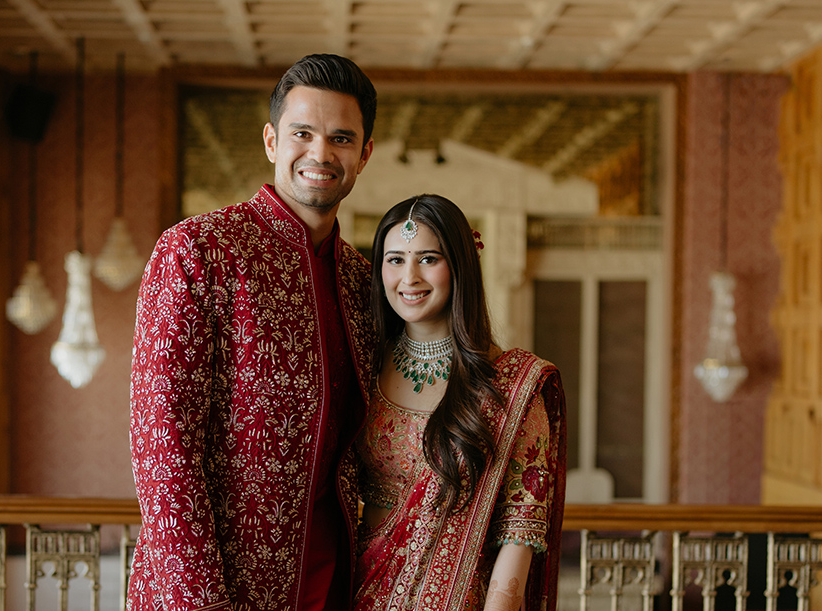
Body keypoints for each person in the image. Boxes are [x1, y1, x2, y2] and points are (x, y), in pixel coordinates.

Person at [128, 54, 377, 611]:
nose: (320, 153)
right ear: (271, 141)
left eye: (340, 138)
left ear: (363, 155)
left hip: (335, 583)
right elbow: (162, 443)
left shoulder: (364, 282)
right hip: (216, 590)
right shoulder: (198, 251)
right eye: (302, 133)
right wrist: (203, 601)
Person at [345, 194, 566, 611]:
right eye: (394, 260)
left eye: (428, 258)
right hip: (356, 592)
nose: (408, 277)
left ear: (461, 265)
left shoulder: (510, 386)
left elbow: (520, 532)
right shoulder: (361, 365)